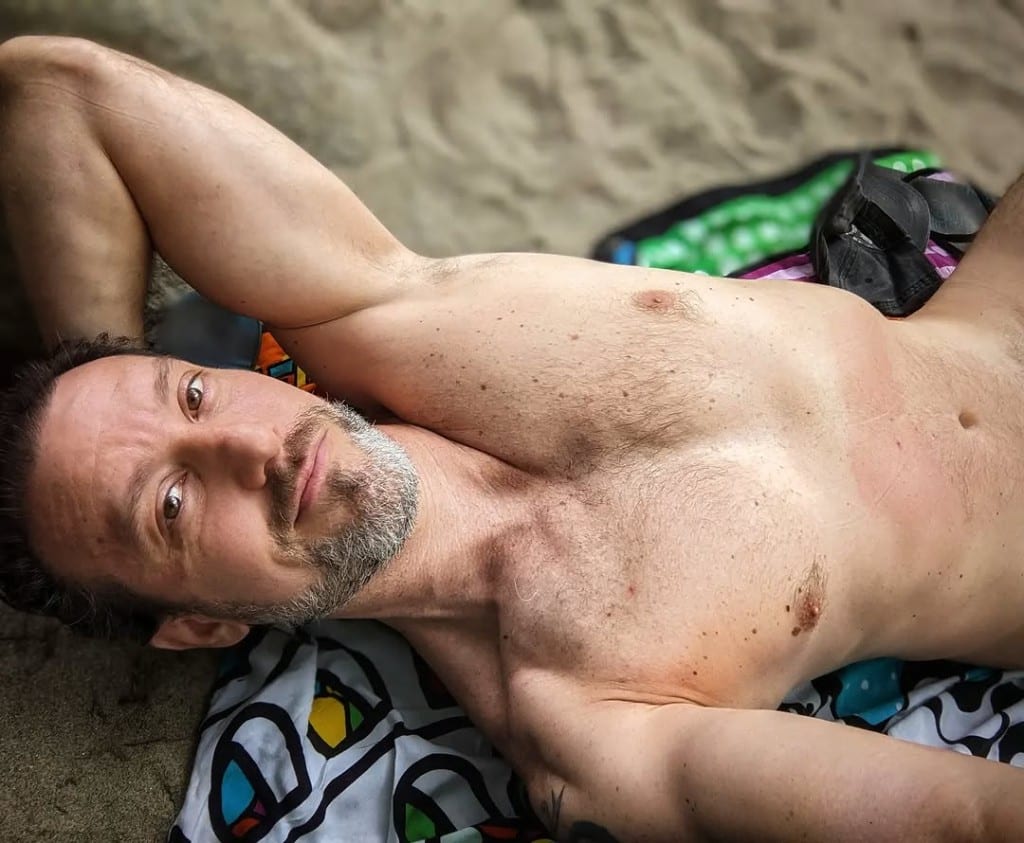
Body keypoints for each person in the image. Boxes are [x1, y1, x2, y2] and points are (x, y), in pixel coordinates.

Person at [0, 35, 1021, 842]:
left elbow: (55, 87)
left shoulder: (388, 315)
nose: (244, 449)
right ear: (201, 626)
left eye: (191, 398)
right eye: (172, 507)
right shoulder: (589, 726)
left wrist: (102, 369)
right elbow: (959, 820)